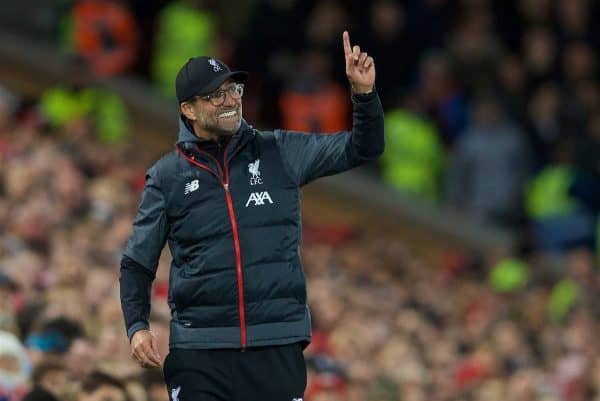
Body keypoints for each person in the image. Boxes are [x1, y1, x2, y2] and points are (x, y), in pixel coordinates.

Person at [119, 31, 383, 401]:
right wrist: (137, 326)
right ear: (188, 109)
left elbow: (363, 148)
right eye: (216, 95)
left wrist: (364, 95)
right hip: (200, 350)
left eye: (234, 91)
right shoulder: (167, 177)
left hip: (276, 344)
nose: (230, 101)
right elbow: (137, 263)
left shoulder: (280, 150)